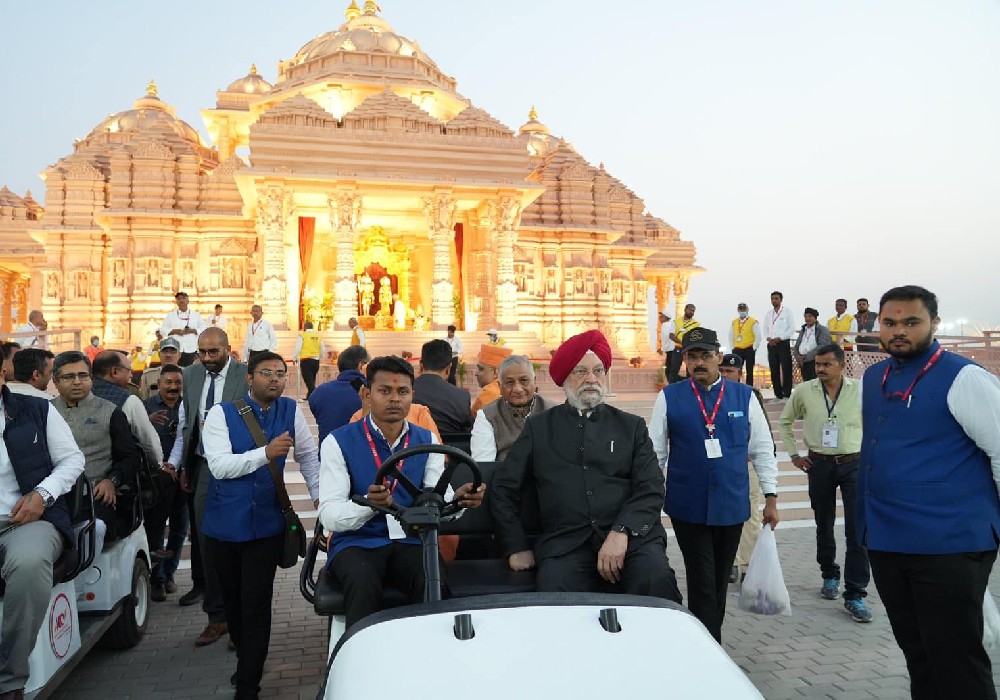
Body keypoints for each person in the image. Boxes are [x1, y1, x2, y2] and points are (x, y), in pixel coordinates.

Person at [859, 285, 1000, 699]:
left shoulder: (965, 377)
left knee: (956, 659)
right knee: (918, 653)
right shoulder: (873, 376)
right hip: (887, 540)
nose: (898, 331)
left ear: (934, 324)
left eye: (911, 322)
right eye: (890, 323)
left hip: (949, 544)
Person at [491, 330, 682, 604]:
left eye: (597, 371)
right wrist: (516, 545)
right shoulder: (539, 428)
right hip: (566, 544)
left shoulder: (631, 427)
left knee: (654, 577)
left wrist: (621, 532)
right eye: (580, 371)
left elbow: (650, 487)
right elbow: (504, 487)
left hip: (630, 540)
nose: (591, 379)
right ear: (565, 378)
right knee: (555, 591)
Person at [318, 355, 485, 628]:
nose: (395, 399)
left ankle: (430, 657)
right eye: (385, 391)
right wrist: (368, 505)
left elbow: (437, 501)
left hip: (411, 541)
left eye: (402, 391)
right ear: (366, 394)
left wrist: (459, 501)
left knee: (433, 581)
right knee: (362, 583)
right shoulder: (338, 441)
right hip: (357, 543)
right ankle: (363, 662)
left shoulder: (426, 439)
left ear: (412, 396)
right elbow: (329, 515)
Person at [202, 351, 320, 699]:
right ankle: (244, 653)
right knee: (234, 602)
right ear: (249, 378)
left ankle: (249, 682)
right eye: (266, 372)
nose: (274, 379)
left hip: (267, 525)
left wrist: (320, 501)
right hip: (224, 524)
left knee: (256, 601)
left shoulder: (290, 410)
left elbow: (309, 458)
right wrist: (265, 454)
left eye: (281, 373)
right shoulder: (220, 415)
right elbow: (220, 466)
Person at [649, 328, 778, 642]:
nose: (698, 363)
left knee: (719, 578)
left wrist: (771, 496)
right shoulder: (670, 397)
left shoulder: (743, 396)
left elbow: (762, 448)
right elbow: (656, 452)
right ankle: (711, 646)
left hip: (731, 504)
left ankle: (708, 638)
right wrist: (649, 498)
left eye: (705, 355)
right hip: (687, 505)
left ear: (719, 357)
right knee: (702, 577)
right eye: (691, 357)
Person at [0, 365, 85, 699]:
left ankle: (9, 679)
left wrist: (42, 495)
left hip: (28, 521)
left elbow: (72, 460)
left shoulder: (35, 409)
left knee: (30, 563)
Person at [778, 343, 872, 622]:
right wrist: (795, 455)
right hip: (819, 464)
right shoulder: (805, 390)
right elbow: (785, 422)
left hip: (853, 464)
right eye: (817, 364)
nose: (820, 369)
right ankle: (829, 574)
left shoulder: (859, 390)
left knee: (858, 529)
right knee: (824, 522)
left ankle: (855, 593)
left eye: (827, 364)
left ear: (843, 365)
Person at [172, 327, 249, 646]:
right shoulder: (190, 375)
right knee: (208, 541)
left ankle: (243, 621)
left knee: (243, 541)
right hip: (203, 466)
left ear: (228, 350)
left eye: (212, 353)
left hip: (241, 466)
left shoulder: (246, 375)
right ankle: (217, 618)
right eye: (201, 353)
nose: (206, 359)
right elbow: (185, 422)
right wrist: (181, 463)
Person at [51, 351, 139, 552]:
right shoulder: (45, 412)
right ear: (55, 381)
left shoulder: (110, 411)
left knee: (93, 529)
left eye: (83, 375)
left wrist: (112, 480)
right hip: (54, 496)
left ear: (91, 378)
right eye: (68, 377)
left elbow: (130, 458)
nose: (77, 382)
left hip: (95, 495)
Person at [717, 354, 773, 583]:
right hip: (720, 465)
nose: (724, 375)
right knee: (723, 515)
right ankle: (729, 562)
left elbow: (763, 432)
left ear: (739, 373)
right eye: (721, 371)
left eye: (729, 371)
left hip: (745, 464)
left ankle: (746, 563)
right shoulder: (712, 396)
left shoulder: (750, 395)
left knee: (750, 516)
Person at [143, 364, 188, 602]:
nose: (173, 387)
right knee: (156, 529)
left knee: (180, 528)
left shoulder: (188, 406)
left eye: (177, 383)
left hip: (182, 479)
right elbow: (134, 437)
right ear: (158, 384)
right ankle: (157, 579)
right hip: (155, 481)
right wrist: (146, 422)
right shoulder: (145, 407)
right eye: (168, 382)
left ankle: (170, 574)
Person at [471, 355, 554, 462]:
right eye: (510, 383)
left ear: (534, 381)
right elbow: (484, 465)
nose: (518, 389)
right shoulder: (487, 416)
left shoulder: (554, 411)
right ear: (500, 387)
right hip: (505, 476)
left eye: (524, 381)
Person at [91, 351, 163, 467]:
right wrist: (159, 465)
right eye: (129, 369)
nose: (131, 375)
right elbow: (149, 443)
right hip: (119, 474)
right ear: (114, 372)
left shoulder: (81, 395)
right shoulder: (128, 400)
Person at [309, 345, 370, 442]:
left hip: (328, 452)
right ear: (361, 366)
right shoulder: (369, 392)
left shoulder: (319, 391)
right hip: (360, 452)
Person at [413, 339, 473, 434]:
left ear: (421, 365)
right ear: (448, 369)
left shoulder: (405, 393)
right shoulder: (462, 397)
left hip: (411, 448)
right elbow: (468, 433)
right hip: (449, 448)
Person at [764, 291, 796, 400]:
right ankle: (777, 394)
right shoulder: (769, 313)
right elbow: (765, 328)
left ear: (781, 300)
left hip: (783, 343)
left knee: (786, 367)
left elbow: (791, 328)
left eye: (776, 298)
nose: (774, 300)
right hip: (771, 344)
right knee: (774, 369)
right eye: (772, 298)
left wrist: (780, 338)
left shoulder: (787, 312)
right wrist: (768, 338)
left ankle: (787, 393)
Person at [160, 291, 206, 366]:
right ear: (176, 302)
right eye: (179, 299)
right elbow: (162, 330)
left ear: (188, 301)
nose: (181, 300)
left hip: (191, 349)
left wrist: (193, 330)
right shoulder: (171, 315)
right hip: (176, 350)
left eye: (183, 298)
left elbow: (204, 328)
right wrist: (173, 331)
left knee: (191, 371)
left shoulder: (196, 315)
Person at [471, 344, 512, 418]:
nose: (476, 373)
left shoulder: (489, 393)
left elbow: (472, 420)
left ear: (495, 373)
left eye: (481, 369)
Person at [793, 308, 833, 381]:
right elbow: (797, 346)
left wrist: (806, 357)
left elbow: (822, 346)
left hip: (814, 361)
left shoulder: (822, 330)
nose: (807, 318)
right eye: (806, 316)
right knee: (806, 382)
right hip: (802, 362)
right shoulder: (803, 330)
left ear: (815, 317)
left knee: (814, 382)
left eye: (810, 316)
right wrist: (798, 357)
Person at [728, 303, 761, 387]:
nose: (742, 311)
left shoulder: (753, 322)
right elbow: (730, 336)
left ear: (747, 310)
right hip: (737, 349)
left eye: (744, 309)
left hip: (749, 349)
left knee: (749, 370)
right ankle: (736, 387)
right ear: (738, 310)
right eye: (741, 309)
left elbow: (758, 336)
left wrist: (754, 348)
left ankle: (749, 388)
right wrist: (733, 348)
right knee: (736, 369)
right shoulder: (734, 322)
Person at [668, 303, 699, 384]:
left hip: (689, 350)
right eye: (690, 310)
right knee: (674, 369)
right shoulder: (676, 321)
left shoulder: (696, 324)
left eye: (693, 311)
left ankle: (690, 388)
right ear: (685, 309)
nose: (691, 312)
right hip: (678, 348)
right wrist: (681, 342)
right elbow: (671, 335)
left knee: (690, 370)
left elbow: (696, 337)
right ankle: (672, 388)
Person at [294, 321, 325, 400]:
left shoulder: (303, 335)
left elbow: (298, 348)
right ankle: (309, 397)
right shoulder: (318, 335)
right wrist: (320, 357)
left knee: (309, 381)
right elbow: (322, 348)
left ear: (305, 327)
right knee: (312, 379)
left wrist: (294, 357)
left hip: (306, 360)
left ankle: (316, 396)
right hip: (316, 361)